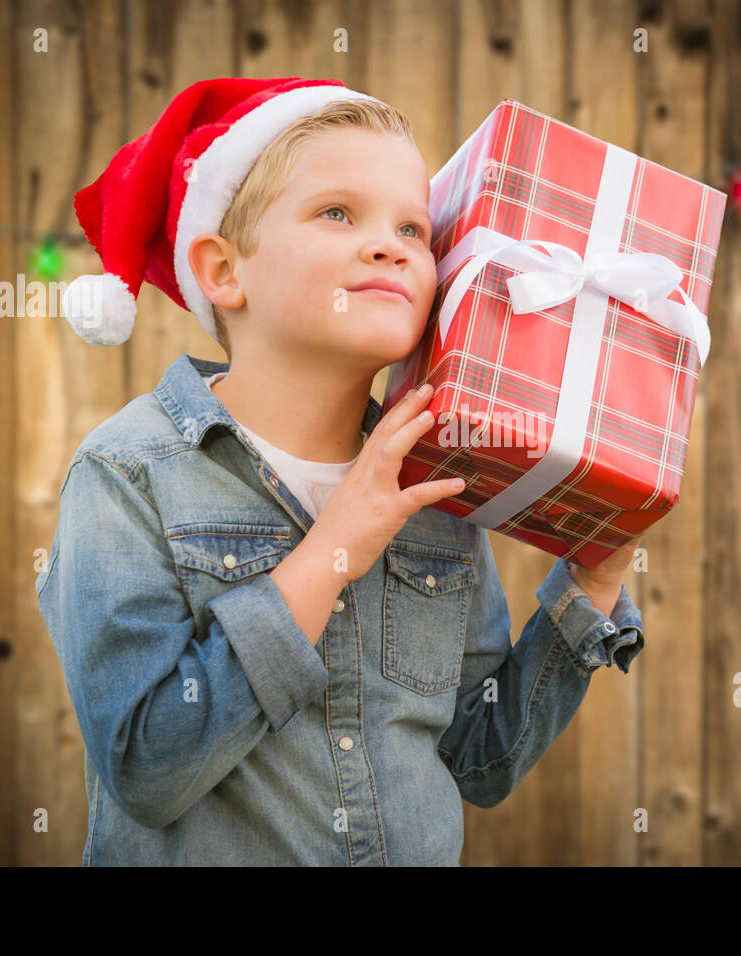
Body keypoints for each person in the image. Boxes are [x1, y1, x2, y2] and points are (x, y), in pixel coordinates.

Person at [36, 76, 644, 866]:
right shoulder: (129, 473)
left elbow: (478, 761)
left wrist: (591, 588)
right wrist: (334, 550)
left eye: (414, 229)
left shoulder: (435, 484)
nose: (391, 245)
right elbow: (148, 769)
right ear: (224, 271)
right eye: (336, 213)